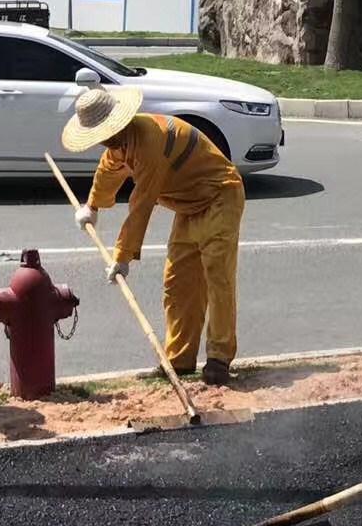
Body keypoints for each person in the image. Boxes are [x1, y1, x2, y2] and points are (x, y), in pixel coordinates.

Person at [62, 85, 245, 386]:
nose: (104, 141)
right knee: (178, 282)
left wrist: (122, 257)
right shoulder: (119, 145)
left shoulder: (149, 139)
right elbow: (107, 172)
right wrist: (92, 207)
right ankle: (180, 359)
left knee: (217, 276)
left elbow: (142, 203)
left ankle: (219, 359)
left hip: (219, 195)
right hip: (187, 204)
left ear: (119, 121)